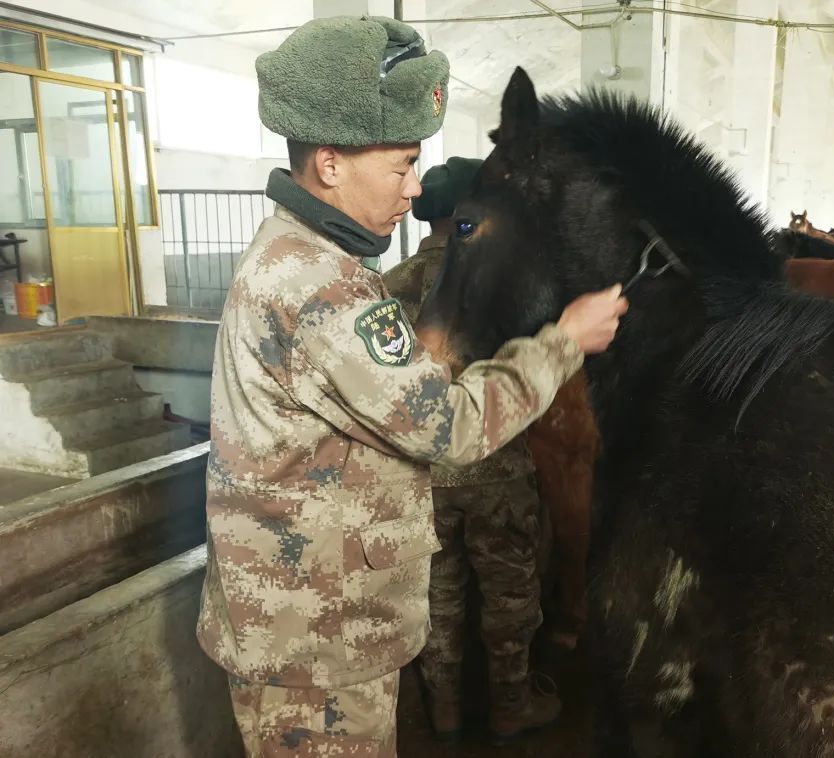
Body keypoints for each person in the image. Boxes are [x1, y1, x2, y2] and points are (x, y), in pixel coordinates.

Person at [195, 16, 628, 757]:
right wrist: (564, 342)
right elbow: (447, 427)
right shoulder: (319, 286)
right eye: (401, 165)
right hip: (313, 648)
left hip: (313, 623)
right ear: (329, 164)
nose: (416, 186)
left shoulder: (306, 255)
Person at [383, 158, 556, 744]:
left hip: (421, 479)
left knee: (439, 596)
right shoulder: (508, 287)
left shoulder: (391, 288)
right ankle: (511, 706)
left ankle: (446, 712)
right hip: (496, 471)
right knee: (510, 593)